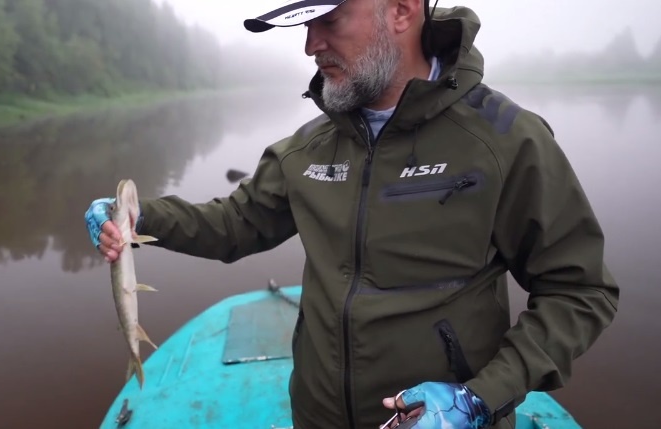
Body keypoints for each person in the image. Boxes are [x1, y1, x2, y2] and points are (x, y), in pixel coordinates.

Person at [84, 0, 620, 427]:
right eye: (305, 23)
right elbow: (235, 224)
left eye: (329, 19)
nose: (311, 43)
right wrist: (139, 216)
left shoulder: (505, 142)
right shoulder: (306, 151)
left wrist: (480, 399)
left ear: (403, 11)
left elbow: (580, 291)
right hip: (315, 414)